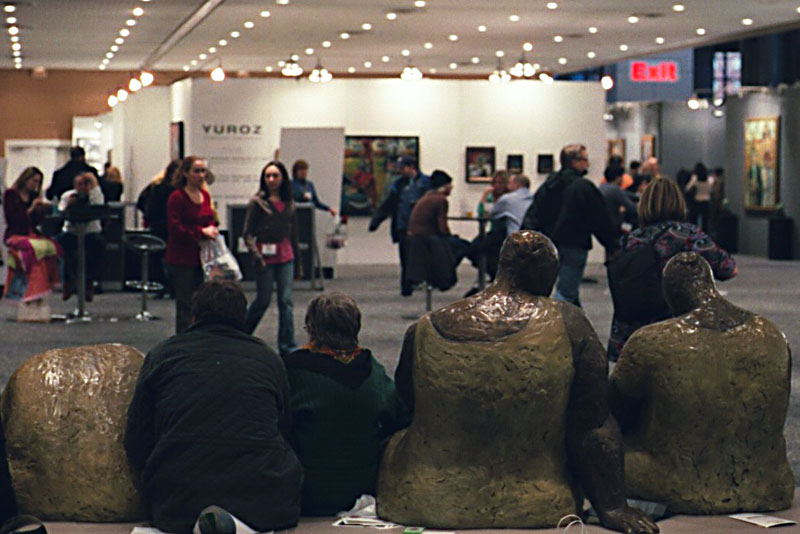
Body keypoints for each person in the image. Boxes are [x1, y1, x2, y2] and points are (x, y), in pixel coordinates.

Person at [380, 231, 658, 534]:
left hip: (422, 497)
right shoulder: (569, 323)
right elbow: (593, 427)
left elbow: (408, 402)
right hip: (539, 500)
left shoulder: (424, 328)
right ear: (546, 274)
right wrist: (613, 507)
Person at [610, 252, 793, 513]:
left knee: (596, 453)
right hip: (768, 483)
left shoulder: (651, 342)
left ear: (669, 296)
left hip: (678, 482)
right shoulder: (771, 335)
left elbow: (614, 413)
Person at [125, 280, 303, 534]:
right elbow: (284, 429)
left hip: (179, 502)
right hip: (262, 503)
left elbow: (136, 438)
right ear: (242, 318)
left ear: (194, 316)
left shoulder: (163, 356)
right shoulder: (268, 359)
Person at [284, 292, 410, 515]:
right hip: (363, 487)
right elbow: (402, 417)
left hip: (307, 491)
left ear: (311, 329)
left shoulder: (293, 372)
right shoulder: (373, 372)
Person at [606, 178, 736, 362]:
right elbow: (728, 269)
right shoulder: (688, 235)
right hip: (674, 331)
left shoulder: (629, 240)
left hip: (630, 332)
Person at [522, 144, 617, 307]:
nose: (588, 164)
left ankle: (576, 321)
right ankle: (556, 321)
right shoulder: (584, 187)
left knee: (568, 290)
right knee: (566, 293)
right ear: (575, 162)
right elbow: (599, 218)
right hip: (575, 244)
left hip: (550, 244)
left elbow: (533, 214)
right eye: (585, 159)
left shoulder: (548, 186)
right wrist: (612, 244)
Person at [243, 160, 299, 355]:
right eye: (268, 176)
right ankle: (241, 334)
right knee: (263, 300)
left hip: (286, 255)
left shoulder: (290, 204)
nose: (272, 179)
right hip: (264, 257)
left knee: (286, 301)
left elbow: (294, 235)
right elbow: (247, 233)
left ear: (283, 178)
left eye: (275, 175)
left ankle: (288, 346)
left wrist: (299, 265)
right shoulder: (257, 203)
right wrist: (256, 255)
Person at [165, 156, 218, 334]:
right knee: (185, 302)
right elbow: (175, 228)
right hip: (181, 256)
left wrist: (212, 229)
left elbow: (210, 218)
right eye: (196, 171)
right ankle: (184, 338)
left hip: (202, 256)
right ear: (186, 173)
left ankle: (199, 336)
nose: (201, 175)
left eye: (203, 171)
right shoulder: (177, 198)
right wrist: (200, 232)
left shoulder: (205, 196)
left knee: (202, 302)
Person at [369, 156, 429, 296]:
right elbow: (390, 203)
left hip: (421, 227)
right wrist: (376, 220)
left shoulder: (426, 182)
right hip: (403, 226)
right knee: (405, 256)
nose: (400, 171)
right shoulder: (398, 184)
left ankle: (420, 280)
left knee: (421, 255)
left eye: (403, 168)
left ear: (411, 167)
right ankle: (406, 286)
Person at [2, 167, 60, 306]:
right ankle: (29, 289)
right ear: (25, 179)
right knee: (32, 250)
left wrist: (41, 211)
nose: (36, 185)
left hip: (31, 233)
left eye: (38, 182)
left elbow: (35, 222)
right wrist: (31, 209)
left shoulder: (34, 196)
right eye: (34, 181)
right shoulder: (11, 195)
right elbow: (15, 219)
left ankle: (49, 283)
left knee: (53, 247)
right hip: (16, 233)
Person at [56, 172, 105, 302]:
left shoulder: (95, 196)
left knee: (98, 245)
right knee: (62, 245)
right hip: (72, 232)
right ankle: (68, 281)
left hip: (90, 233)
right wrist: (70, 204)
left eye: (85, 184)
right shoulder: (67, 196)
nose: (82, 187)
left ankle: (89, 281)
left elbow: (99, 205)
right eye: (79, 184)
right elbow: (61, 212)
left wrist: (92, 186)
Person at [144, 160, 180, 298]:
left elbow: (150, 208)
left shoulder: (158, 188)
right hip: (173, 229)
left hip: (159, 227)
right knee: (172, 259)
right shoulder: (181, 192)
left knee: (159, 258)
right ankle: (173, 286)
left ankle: (162, 286)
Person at [599, 165, 638, 237]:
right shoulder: (614, 189)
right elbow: (632, 208)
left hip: (604, 225)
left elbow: (625, 194)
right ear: (617, 178)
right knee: (635, 225)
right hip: (616, 226)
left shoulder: (603, 186)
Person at [685, 162, 714, 231]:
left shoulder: (694, 179)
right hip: (706, 202)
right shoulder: (710, 180)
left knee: (694, 223)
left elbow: (687, 188)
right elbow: (712, 190)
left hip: (697, 202)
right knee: (705, 224)